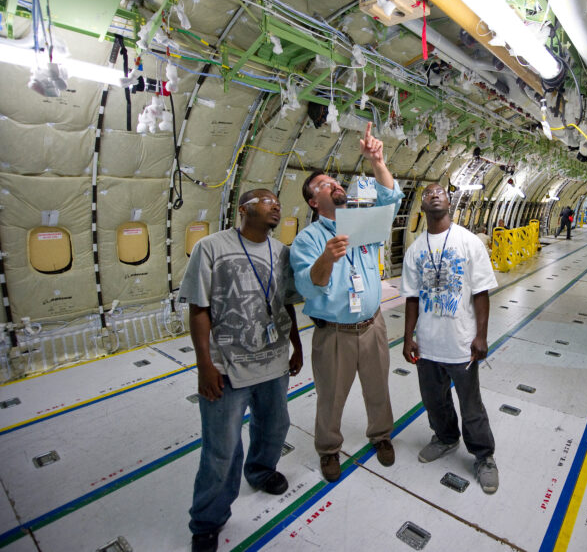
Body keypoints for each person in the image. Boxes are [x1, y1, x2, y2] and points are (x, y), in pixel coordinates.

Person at [180, 189, 303, 552]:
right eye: (266, 200)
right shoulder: (211, 248)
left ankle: (262, 472)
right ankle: (207, 520)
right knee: (221, 449)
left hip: (274, 363)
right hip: (228, 367)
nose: (275, 205)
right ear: (243, 209)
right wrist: (205, 365)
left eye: (277, 201)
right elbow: (198, 309)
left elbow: (286, 305)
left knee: (274, 427)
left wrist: (296, 344)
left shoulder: (281, 253)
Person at [290, 122, 403, 483]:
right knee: (330, 397)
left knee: (378, 389)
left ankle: (381, 435)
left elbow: (390, 198)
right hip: (334, 334)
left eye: (335, 181)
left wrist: (377, 161)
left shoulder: (361, 222)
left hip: (373, 325)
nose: (335, 185)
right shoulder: (307, 240)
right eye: (325, 185)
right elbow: (309, 286)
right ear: (313, 201)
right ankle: (328, 449)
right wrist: (327, 258)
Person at [400, 183, 500, 494]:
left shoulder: (469, 242)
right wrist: (408, 337)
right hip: (428, 345)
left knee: (471, 406)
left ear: (449, 202)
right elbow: (412, 298)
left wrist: (481, 336)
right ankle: (445, 438)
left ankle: (484, 457)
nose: (433, 194)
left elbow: (481, 293)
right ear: (422, 205)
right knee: (434, 401)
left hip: (461, 344)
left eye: (440, 192)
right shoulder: (415, 249)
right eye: (427, 192)